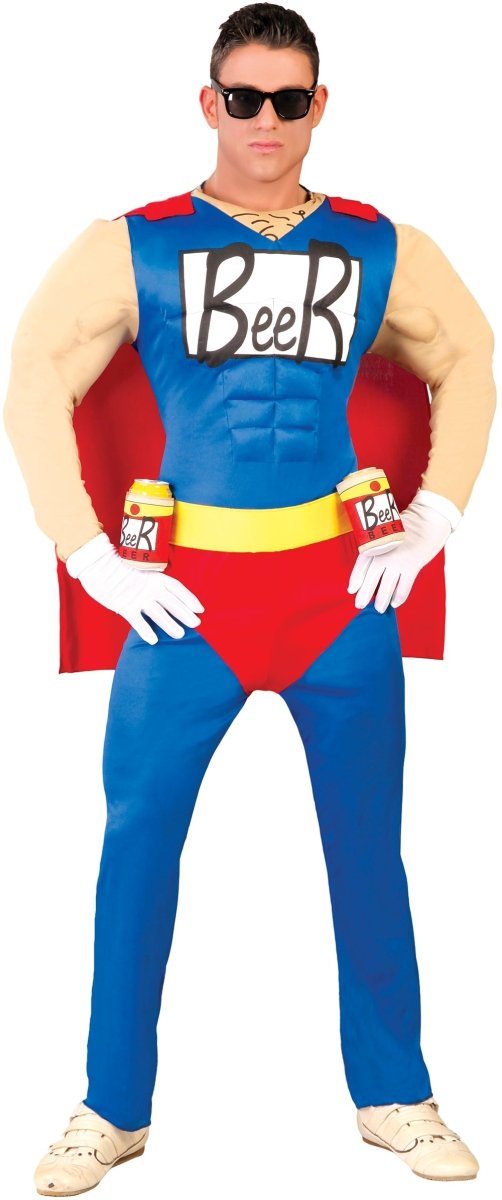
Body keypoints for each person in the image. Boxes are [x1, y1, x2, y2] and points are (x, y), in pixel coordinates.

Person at [3, 2, 496, 1192]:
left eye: (286, 98)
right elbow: (36, 375)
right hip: (188, 605)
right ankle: (110, 1105)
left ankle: (395, 1093)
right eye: (243, 96)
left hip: (339, 596)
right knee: (137, 845)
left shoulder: (381, 245)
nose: (263, 119)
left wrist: (436, 513)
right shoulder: (132, 244)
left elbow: (467, 357)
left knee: (368, 847)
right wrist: (85, 553)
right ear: (208, 102)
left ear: (317, 106)